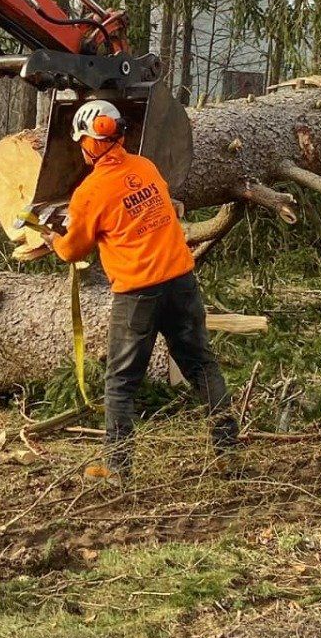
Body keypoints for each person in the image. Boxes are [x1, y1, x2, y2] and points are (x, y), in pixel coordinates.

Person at [32, 98, 237, 479]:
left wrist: (53, 239)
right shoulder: (145, 167)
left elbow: (73, 249)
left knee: (121, 383)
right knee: (201, 365)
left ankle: (118, 467)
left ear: (92, 142)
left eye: (83, 142)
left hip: (139, 293)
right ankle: (227, 452)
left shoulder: (92, 191)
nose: (82, 149)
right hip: (181, 282)